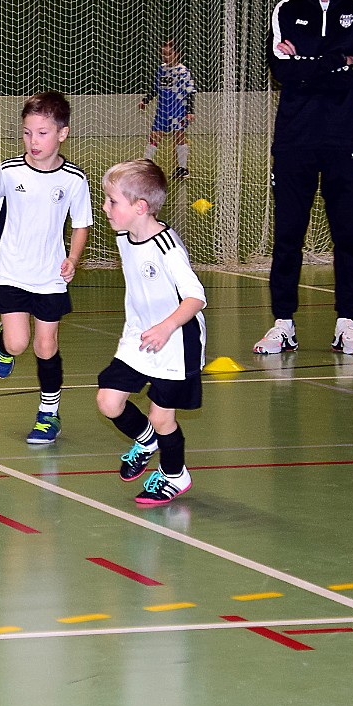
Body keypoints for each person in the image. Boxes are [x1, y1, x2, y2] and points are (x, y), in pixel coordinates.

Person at [258, 0, 353, 357]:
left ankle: (347, 324)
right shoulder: (287, 10)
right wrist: (336, 60)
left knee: (347, 235)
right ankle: (283, 324)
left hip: (346, 140)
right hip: (295, 139)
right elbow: (281, 71)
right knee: (287, 235)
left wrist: (306, 62)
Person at [0, 91, 93, 445]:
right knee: (17, 344)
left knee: (46, 346)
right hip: (11, 270)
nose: (33, 141)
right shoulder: (9, 171)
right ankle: (4, 343)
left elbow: (81, 224)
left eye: (42, 133)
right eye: (27, 133)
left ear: (62, 133)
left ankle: (48, 414)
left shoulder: (74, 179)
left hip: (50, 276)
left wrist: (73, 259)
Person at [95, 160, 207, 506]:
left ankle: (174, 475)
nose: (105, 207)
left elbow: (196, 297)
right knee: (109, 401)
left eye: (112, 201)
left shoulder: (167, 248)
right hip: (140, 336)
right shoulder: (125, 236)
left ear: (140, 207)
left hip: (176, 340)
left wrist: (166, 326)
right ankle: (146, 440)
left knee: (162, 417)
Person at [138, 39, 196, 179]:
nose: (166, 57)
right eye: (163, 54)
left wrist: (190, 111)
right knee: (154, 136)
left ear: (177, 54)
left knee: (179, 136)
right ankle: (144, 166)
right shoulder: (161, 69)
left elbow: (190, 92)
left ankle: (183, 168)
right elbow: (156, 88)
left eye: (169, 54)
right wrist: (146, 100)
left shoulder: (183, 71)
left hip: (178, 110)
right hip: (162, 110)